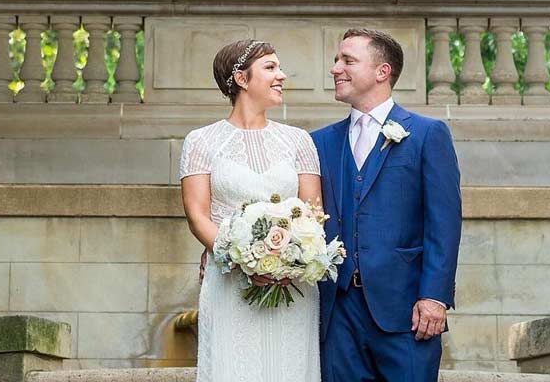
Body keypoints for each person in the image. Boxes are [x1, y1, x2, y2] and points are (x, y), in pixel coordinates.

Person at [312, 27, 462, 382]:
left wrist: (434, 297)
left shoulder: (427, 134)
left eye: (348, 60)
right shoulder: (319, 143)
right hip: (338, 313)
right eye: (336, 60)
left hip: (408, 311)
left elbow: (444, 223)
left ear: (382, 72)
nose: (335, 68)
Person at [180, 39, 323, 382]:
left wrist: (291, 259)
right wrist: (244, 260)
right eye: (271, 68)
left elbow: (313, 211)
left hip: (293, 284)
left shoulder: (299, 140)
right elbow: (198, 215)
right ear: (242, 79)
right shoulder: (201, 142)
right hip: (229, 281)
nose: (282, 75)